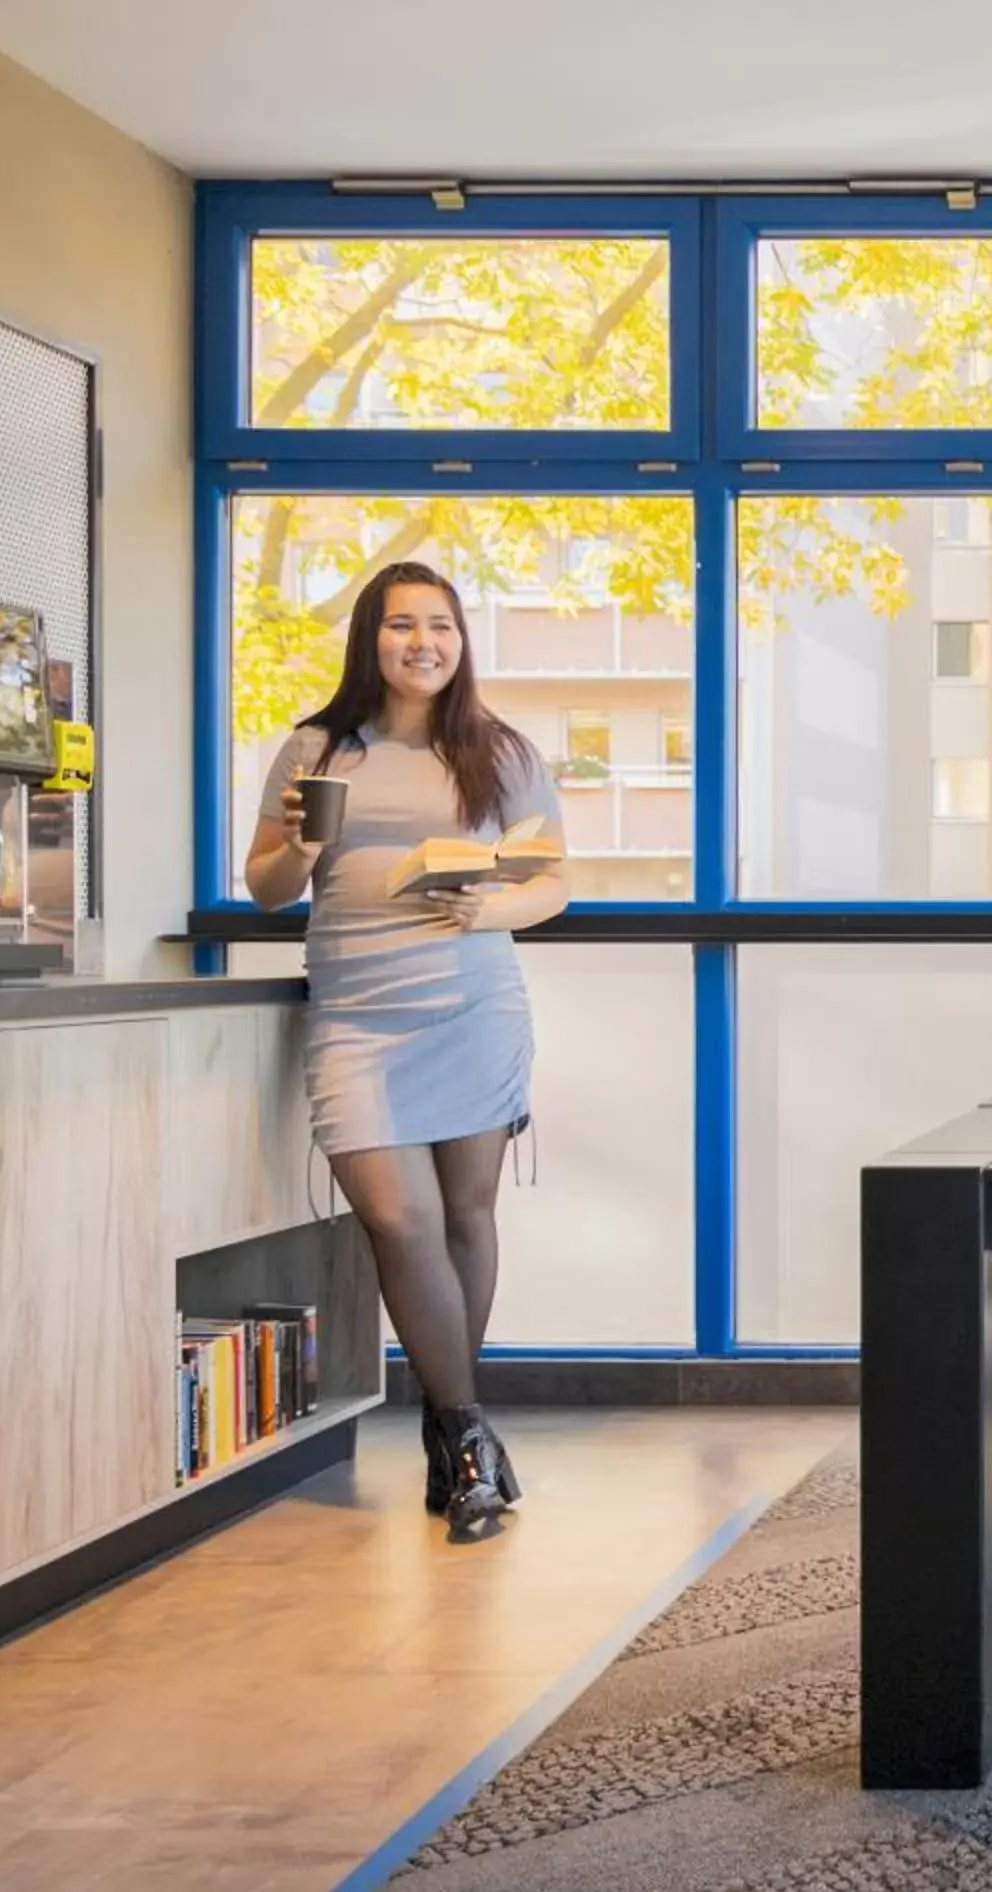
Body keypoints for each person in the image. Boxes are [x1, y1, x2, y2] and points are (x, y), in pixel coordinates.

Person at [244, 561, 570, 1538]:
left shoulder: (498, 750)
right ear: (370, 638)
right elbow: (264, 884)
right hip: (357, 1016)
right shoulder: (317, 745)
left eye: (440, 625)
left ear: (460, 640)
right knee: (399, 1218)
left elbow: (551, 882)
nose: (421, 641)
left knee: (467, 1216)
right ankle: (467, 1428)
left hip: (472, 1006)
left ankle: (453, 1437)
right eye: (400, 625)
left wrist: (490, 904)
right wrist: (303, 846)